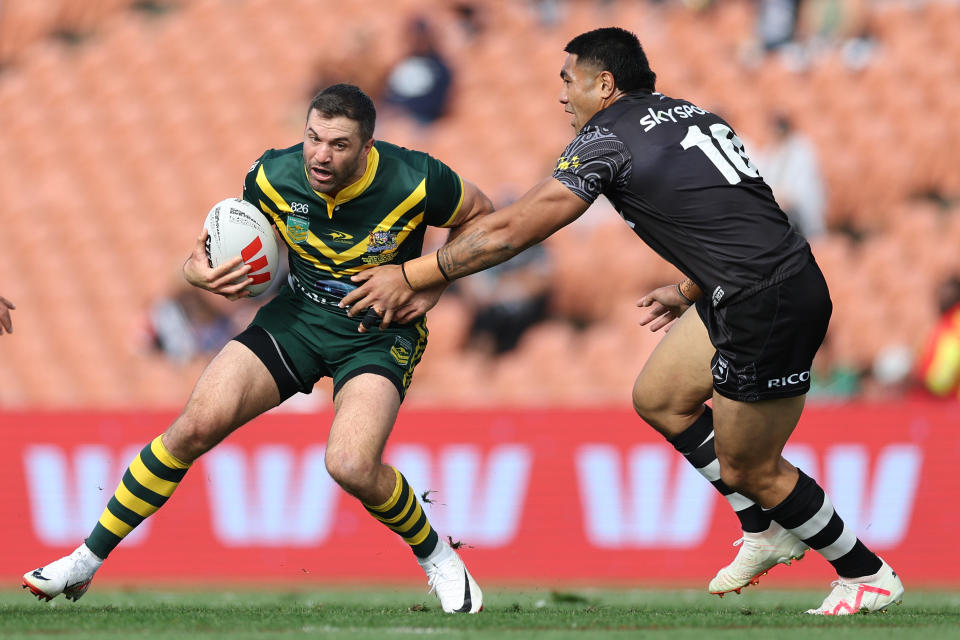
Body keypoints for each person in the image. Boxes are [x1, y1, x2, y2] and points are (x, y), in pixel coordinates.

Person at [341, 28, 904, 615]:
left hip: (762, 301)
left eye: (568, 80)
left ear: (604, 84)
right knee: (660, 398)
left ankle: (864, 572)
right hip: (749, 284)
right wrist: (691, 285)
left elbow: (514, 230)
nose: (561, 95)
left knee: (750, 467)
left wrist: (413, 276)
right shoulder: (687, 114)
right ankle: (763, 529)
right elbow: (739, 211)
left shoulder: (606, 138)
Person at [23, 84, 492, 614]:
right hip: (297, 318)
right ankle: (84, 561)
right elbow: (222, 246)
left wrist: (431, 281)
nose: (320, 154)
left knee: (350, 465)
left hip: (378, 331)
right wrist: (194, 273)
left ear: (367, 148)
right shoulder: (272, 175)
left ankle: (436, 556)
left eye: (338, 144)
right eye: (313, 137)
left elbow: (480, 215)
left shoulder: (416, 178)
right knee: (192, 428)